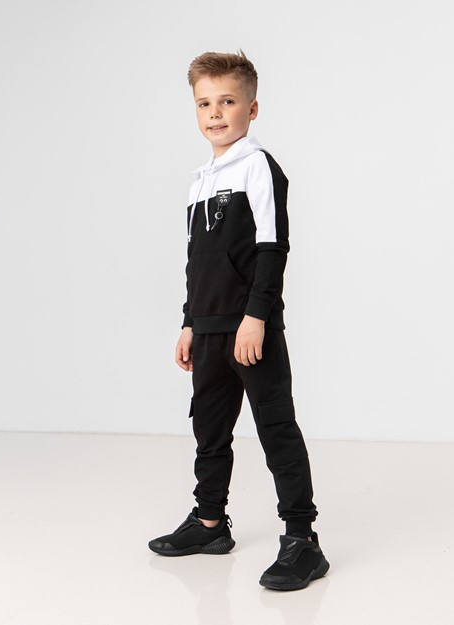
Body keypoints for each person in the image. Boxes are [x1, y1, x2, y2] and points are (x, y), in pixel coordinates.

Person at [148, 50, 330, 591]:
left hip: (250, 329)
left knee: (276, 429)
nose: (215, 113)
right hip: (207, 329)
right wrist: (189, 322)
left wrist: (256, 316)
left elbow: (273, 248)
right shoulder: (200, 180)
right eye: (204, 103)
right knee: (209, 430)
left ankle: (302, 540)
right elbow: (197, 262)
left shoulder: (258, 166)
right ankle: (209, 524)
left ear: (251, 108)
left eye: (227, 101)